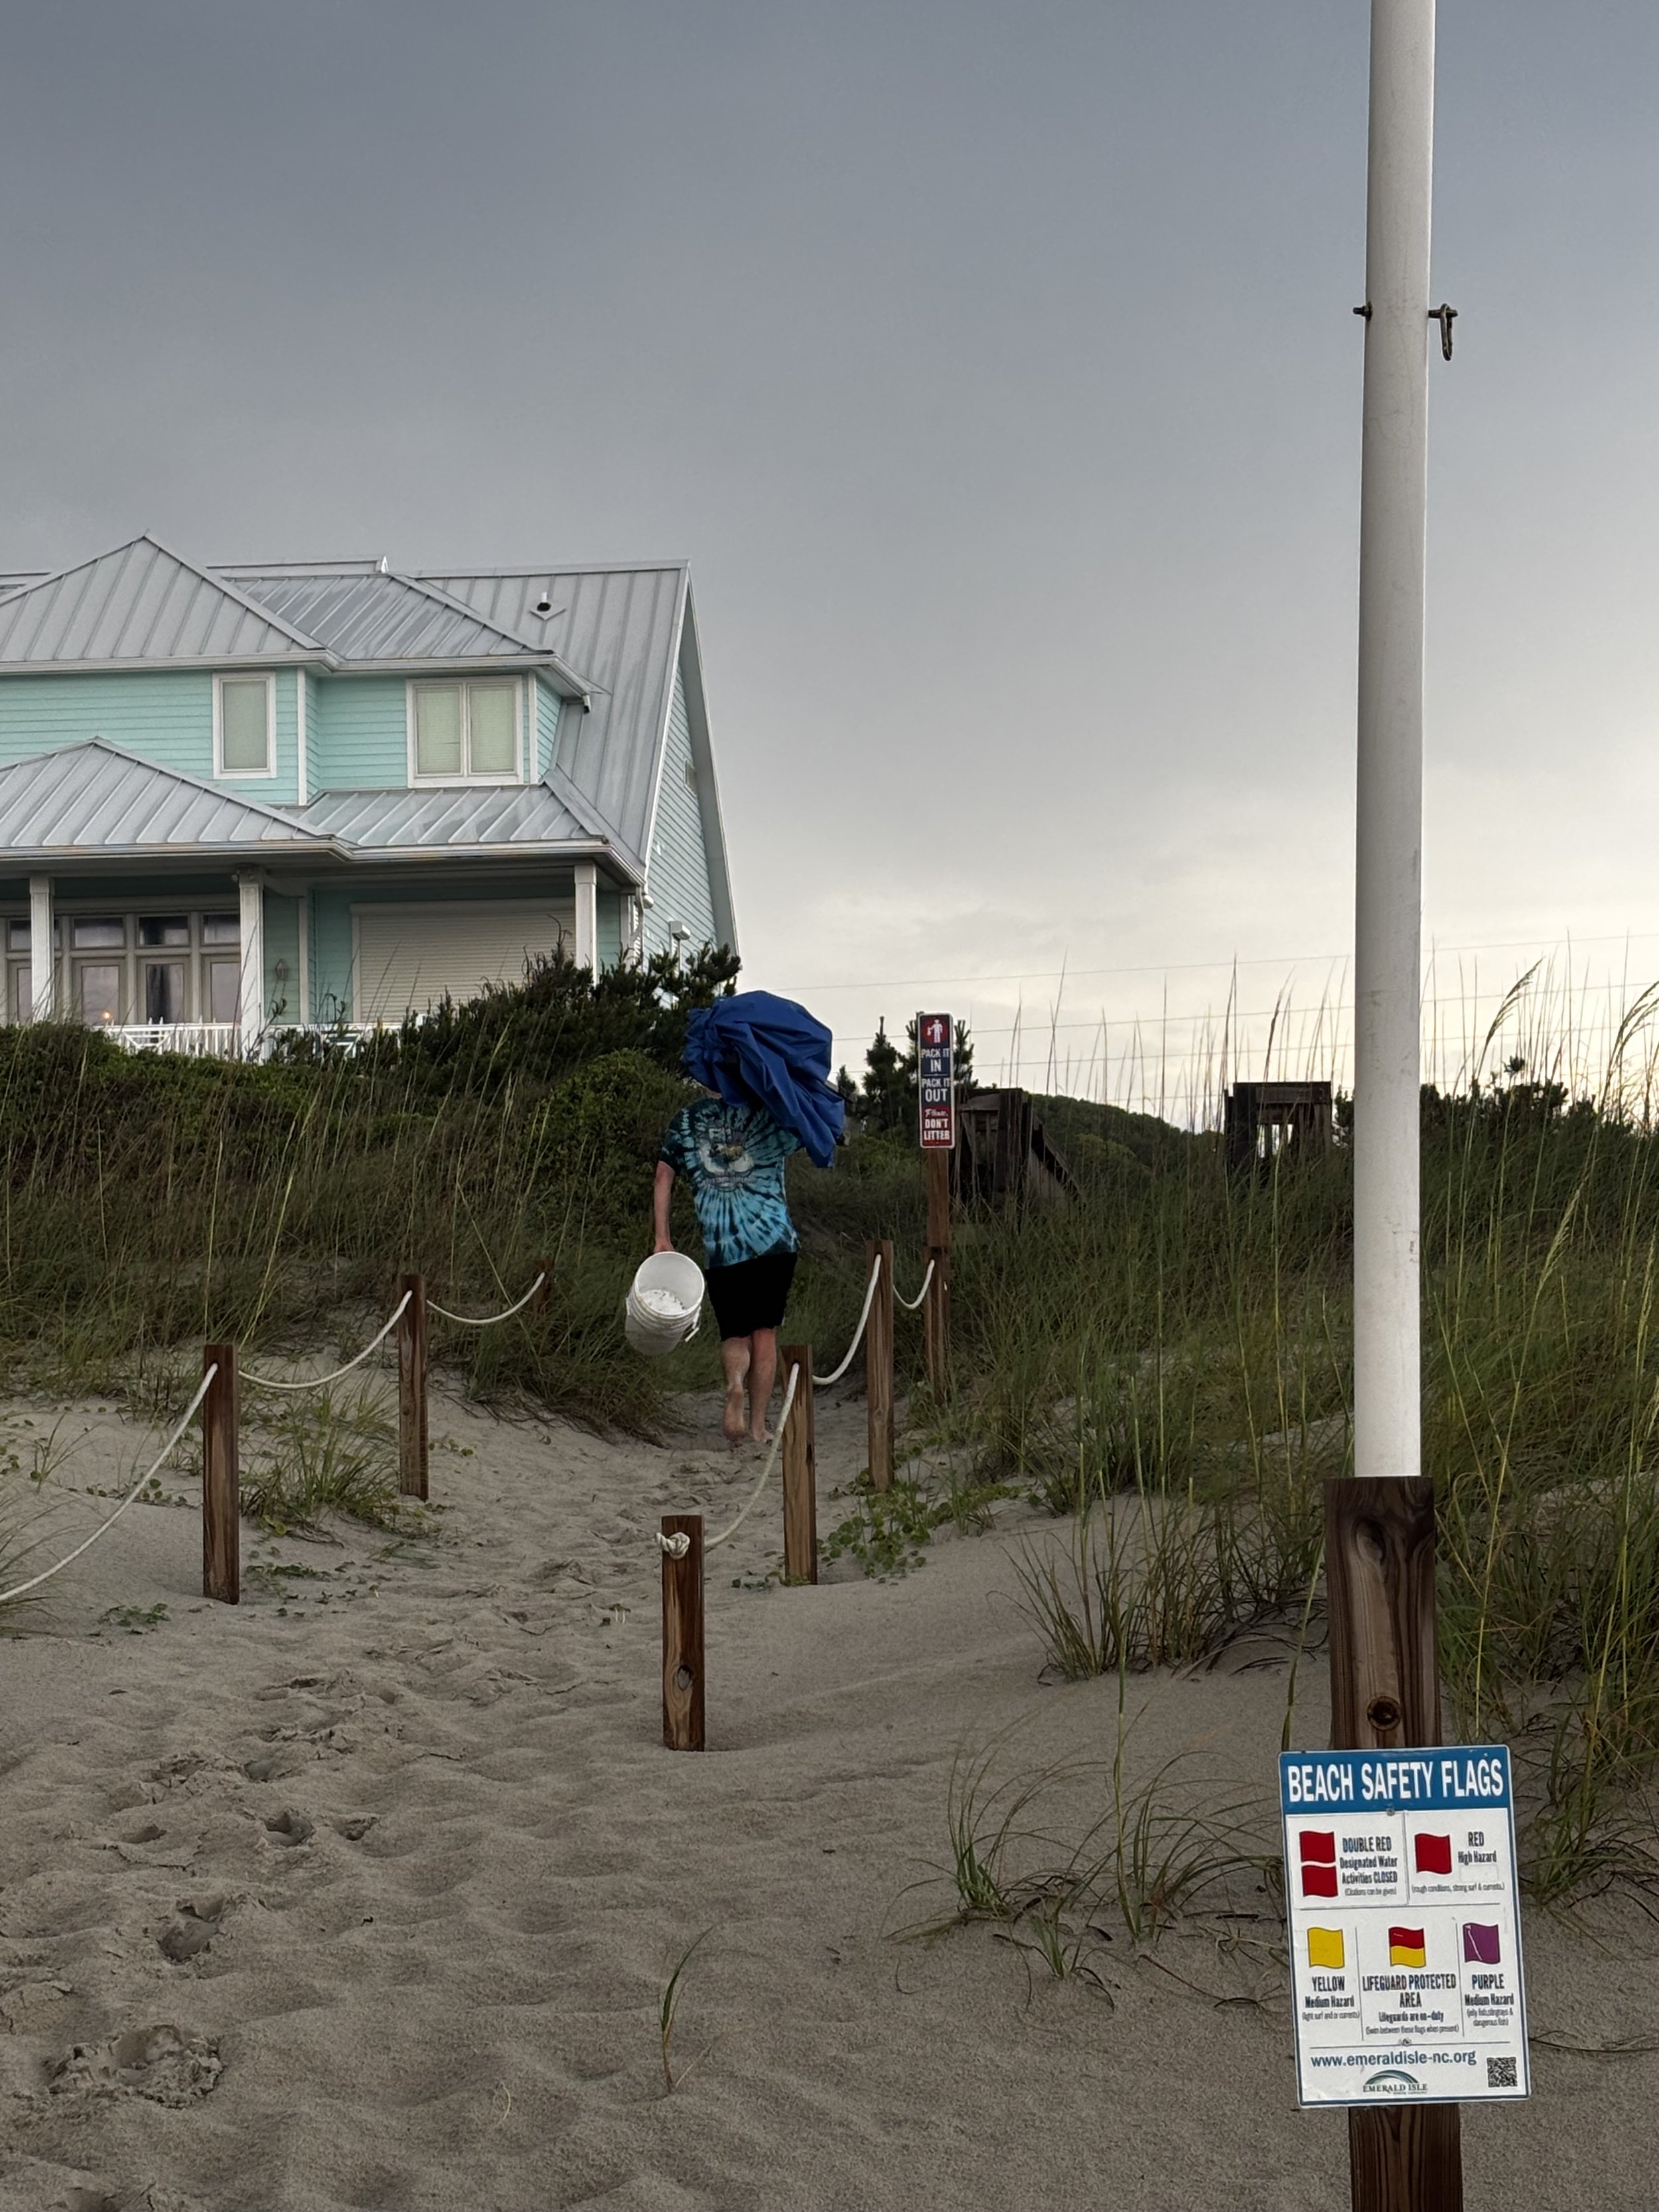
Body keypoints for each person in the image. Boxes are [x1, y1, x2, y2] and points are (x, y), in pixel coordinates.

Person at [654, 1090, 802, 1445]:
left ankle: (735, 1384)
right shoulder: (771, 1111)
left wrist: (663, 1237)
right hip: (774, 1243)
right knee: (764, 1333)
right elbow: (806, 1133)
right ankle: (757, 1428)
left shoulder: (687, 1121)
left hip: (723, 1247)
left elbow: (663, 1177)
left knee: (735, 1333)